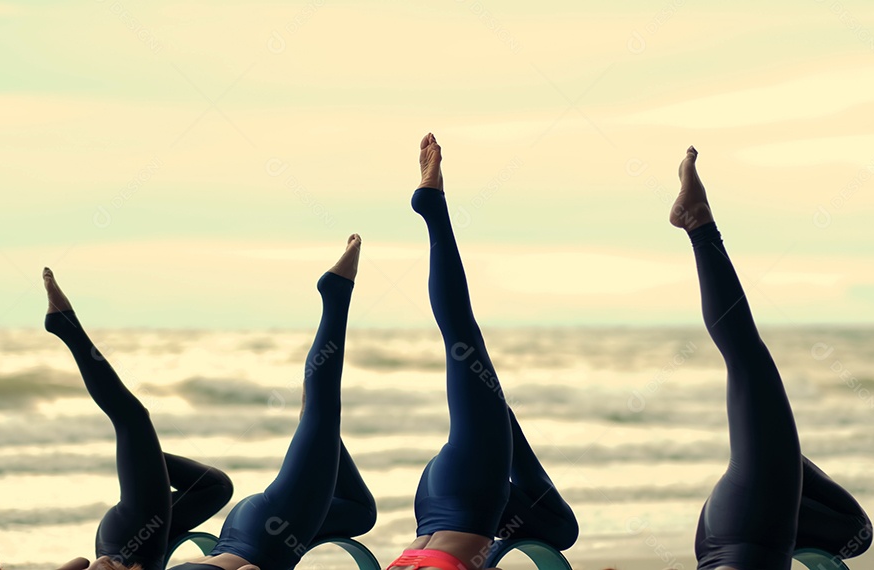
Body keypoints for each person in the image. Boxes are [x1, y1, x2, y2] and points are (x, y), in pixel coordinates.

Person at [669, 146, 874, 570]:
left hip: (746, 527)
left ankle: (698, 225)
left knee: (748, 359)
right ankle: (776, 450)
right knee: (856, 533)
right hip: (739, 535)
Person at [0, 268, 237, 570]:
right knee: (216, 488)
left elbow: (84, 563)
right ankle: (139, 457)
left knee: (133, 419)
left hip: (132, 540)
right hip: (138, 539)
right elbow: (80, 561)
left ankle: (65, 325)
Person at [386, 134, 579, 570]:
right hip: (439, 503)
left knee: (462, 339)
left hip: (466, 494)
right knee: (562, 529)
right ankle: (496, 407)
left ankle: (433, 209)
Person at [169, 234, 376, 570]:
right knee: (360, 513)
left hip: (268, 534)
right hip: (243, 532)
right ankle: (313, 437)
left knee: (324, 411)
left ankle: (335, 294)